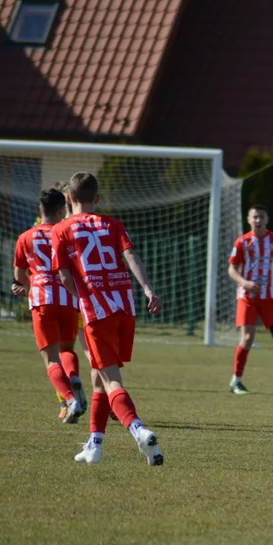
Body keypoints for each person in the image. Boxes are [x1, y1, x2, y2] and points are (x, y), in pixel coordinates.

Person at [51, 172, 164, 466]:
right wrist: (148, 289)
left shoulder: (61, 229)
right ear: (97, 199)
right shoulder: (113, 224)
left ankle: (138, 430)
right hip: (125, 308)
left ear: (68, 198)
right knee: (98, 378)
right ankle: (95, 445)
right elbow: (130, 257)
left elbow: (64, 275)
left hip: (96, 312)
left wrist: (82, 299)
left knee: (111, 380)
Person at [12, 188, 88, 423]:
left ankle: (70, 400)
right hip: (67, 298)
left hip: (42, 299)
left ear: (40, 210)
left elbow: (19, 275)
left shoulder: (26, 237)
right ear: (61, 210)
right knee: (67, 350)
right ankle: (73, 376)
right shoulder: (66, 233)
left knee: (51, 359)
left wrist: (34, 284)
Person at [227, 204, 273, 397]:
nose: (258, 220)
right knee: (248, 337)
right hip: (247, 298)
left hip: (270, 299)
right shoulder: (242, 242)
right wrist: (244, 282)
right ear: (248, 219)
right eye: (254, 217)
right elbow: (231, 269)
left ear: (267, 219)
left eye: (261, 217)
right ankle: (236, 381)